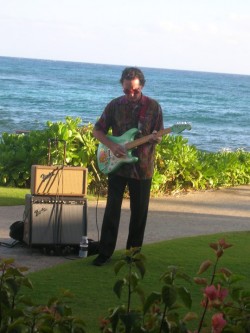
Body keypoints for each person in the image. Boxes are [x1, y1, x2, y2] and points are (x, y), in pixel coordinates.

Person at [92, 67, 164, 266]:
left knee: (139, 213)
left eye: (134, 90)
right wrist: (112, 146)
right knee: (111, 210)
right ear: (122, 86)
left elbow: (156, 135)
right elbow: (97, 131)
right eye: (126, 90)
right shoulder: (114, 105)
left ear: (141, 86)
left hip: (142, 167)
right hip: (116, 166)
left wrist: (156, 139)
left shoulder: (153, 107)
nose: (130, 94)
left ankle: (132, 255)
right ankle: (104, 253)